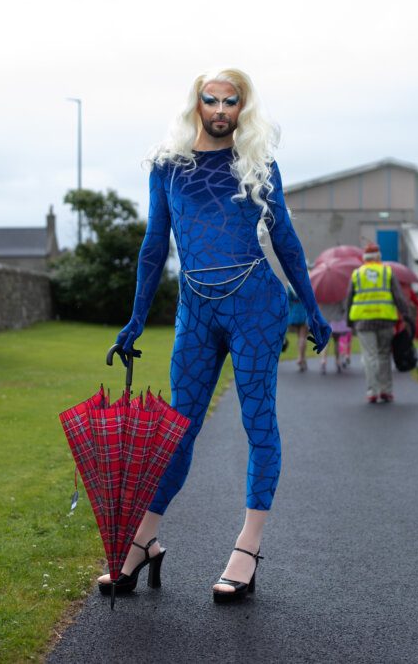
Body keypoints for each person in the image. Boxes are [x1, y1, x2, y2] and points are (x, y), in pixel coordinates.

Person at [98, 68, 331, 603]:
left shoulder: (258, 163)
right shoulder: (167, 167)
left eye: (232, 101)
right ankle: (143, 540)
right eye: (212, 100)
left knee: (258, 422)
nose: (221, 109)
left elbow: (287, 241)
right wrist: (135, 319)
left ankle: (246, 550)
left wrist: (313, 309)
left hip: (256, 304)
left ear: (243, 108)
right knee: (179, 428)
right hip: (196, 307)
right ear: (196, 104)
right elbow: (155, 246)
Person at [346, 242, 410, 403]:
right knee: (383, 355)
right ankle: (386, 390)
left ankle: (372, 391)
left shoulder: (357, 274)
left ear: (364, 258)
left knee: (369, 356)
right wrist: (406, 314)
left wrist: (348, 319)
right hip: (385, 320)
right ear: (378, 257)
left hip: (363, 321)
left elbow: (349, 299)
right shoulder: (387, 272)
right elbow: (398, 296)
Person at [286, 284, 309, 370]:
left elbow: (288, 300)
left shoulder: (291, 285)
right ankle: (300, 357)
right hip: (304, 311)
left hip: (295, 312)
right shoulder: (306, 283)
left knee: (299, 337)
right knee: (303, 337)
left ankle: (303, 360)